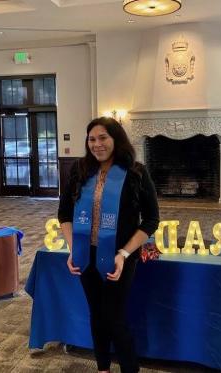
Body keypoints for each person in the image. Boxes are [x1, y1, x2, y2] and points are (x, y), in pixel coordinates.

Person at [58, 117, 159, 373]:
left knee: (114, 316)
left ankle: (129, 368)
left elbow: (151, 219)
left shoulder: (136, 172)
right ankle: (102, 368)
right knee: (96, 313)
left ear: (116, 139)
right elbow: (65, 215)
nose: (97, 144)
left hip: (119, 257)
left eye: (103, 138)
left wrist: (125, 253)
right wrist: (73, 249)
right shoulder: (80, 171)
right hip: (86, 254)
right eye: (92, 139)